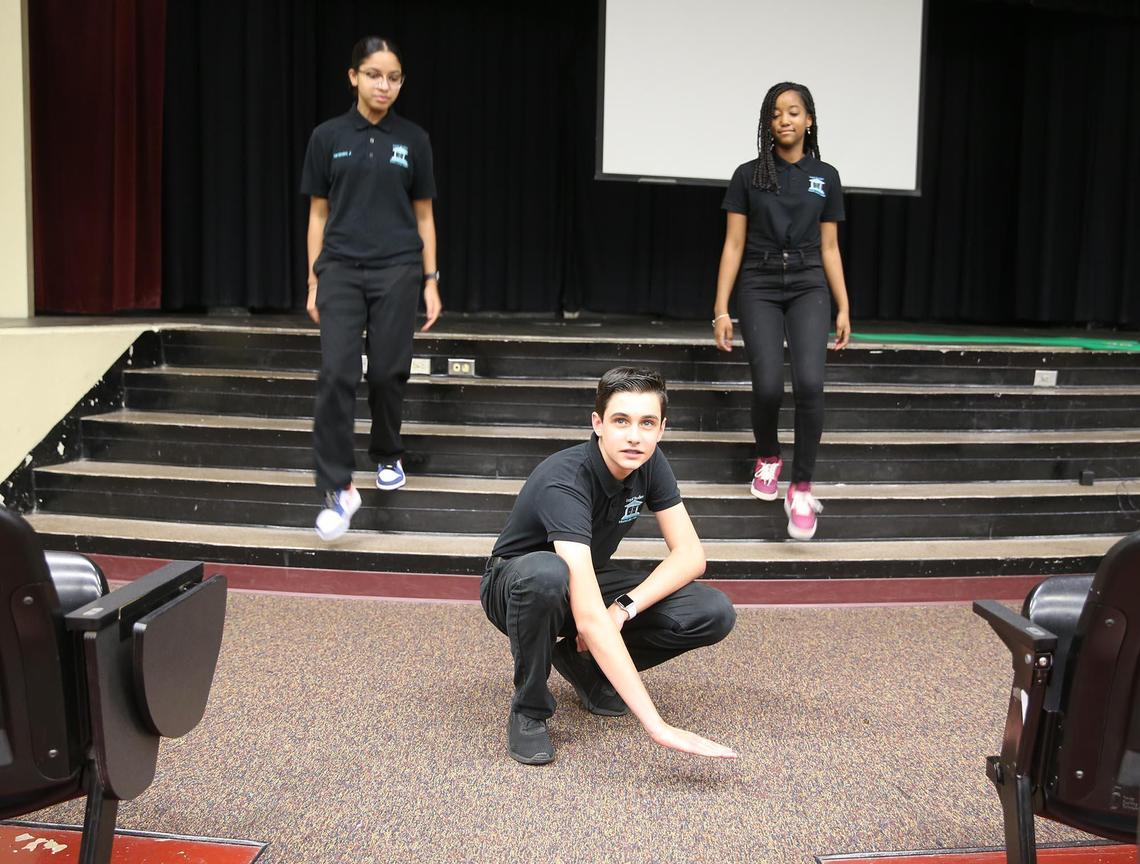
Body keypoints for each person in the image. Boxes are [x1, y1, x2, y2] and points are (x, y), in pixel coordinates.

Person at [481, 367, 738, 765]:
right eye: (621, 421)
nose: (635, 435)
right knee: (547, 575)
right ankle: (529, 710)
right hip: (518, 584)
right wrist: (658, 726)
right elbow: (586, 615)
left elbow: (690, 555)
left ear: (662, 429)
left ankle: (583, 664)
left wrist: (624, 607)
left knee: (711, 610)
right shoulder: (565, 479)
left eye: (647, 423)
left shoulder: (648, 463)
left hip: (585, 575)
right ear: (598, 424)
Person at [300, 36, 442, 541]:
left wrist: (431, 279)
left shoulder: (414, 140)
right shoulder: (327, 136)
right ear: (353, 76)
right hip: (339, 266)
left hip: (399, 268)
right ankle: (338, 487)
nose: (384, 85)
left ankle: (387, 453)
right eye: (375, 74)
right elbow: (318, 212)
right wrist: (314, 277)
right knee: (336, 373)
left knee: (386, 371)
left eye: (394, 77)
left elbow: (424, 215)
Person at [713, 81, 851, 541]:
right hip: (760, 282)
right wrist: (721, 309)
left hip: (810, 280)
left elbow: (830, 247)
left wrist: (843, 306)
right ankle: (769, 455)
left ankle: (802, 486)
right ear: (767, 124)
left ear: (809, 119)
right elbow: (733, 244)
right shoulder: (748, 174)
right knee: (769, 385)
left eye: (794, 112)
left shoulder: (825, 176)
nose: (784, 120)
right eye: (775, 114)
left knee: (811, 384)